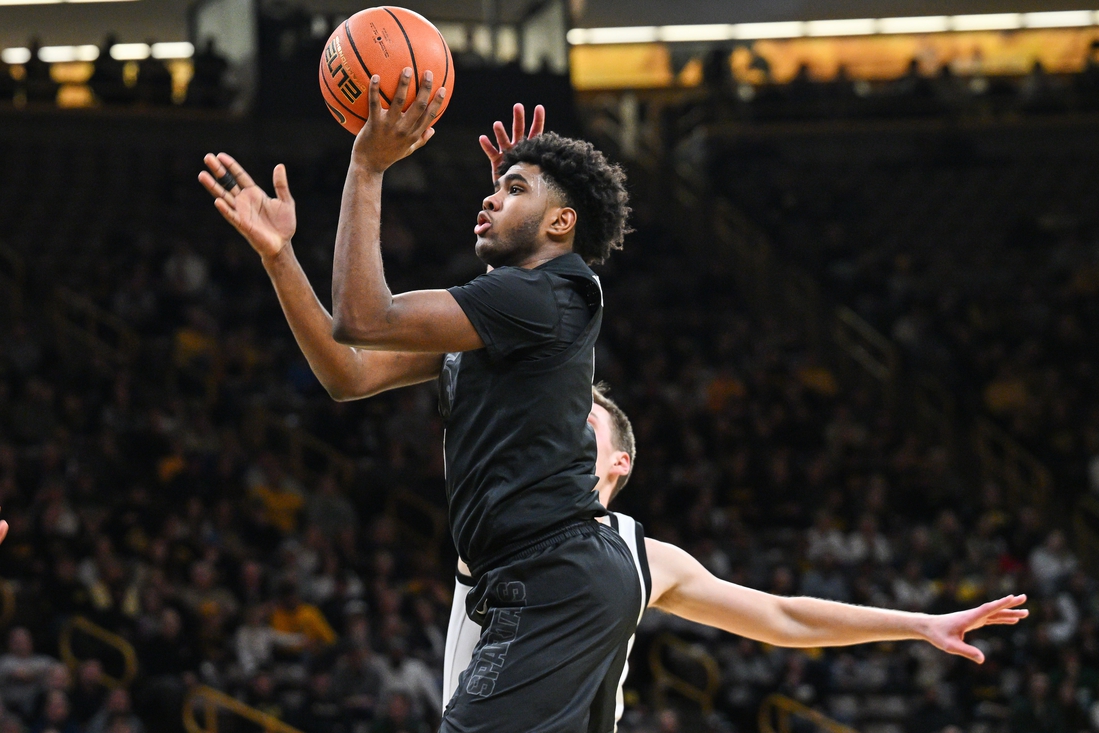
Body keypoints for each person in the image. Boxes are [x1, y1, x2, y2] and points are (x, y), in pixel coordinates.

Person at [199, 67, 638, 729]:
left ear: (561, 221)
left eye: (514, 189)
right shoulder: (501, 320)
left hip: (554, 574)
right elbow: (348, 374)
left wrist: (367, 166)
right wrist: (280, 256)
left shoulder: (550, 295)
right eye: (496, 187)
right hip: (540, 577)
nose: (490, 197)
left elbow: (362, 317)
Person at [443, 385, 1030, 717]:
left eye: (586, 420)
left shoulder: (650, 559)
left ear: (619, 461)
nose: (568, 426)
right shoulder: (505, 513)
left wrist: (921, 624)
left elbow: (782, 616)